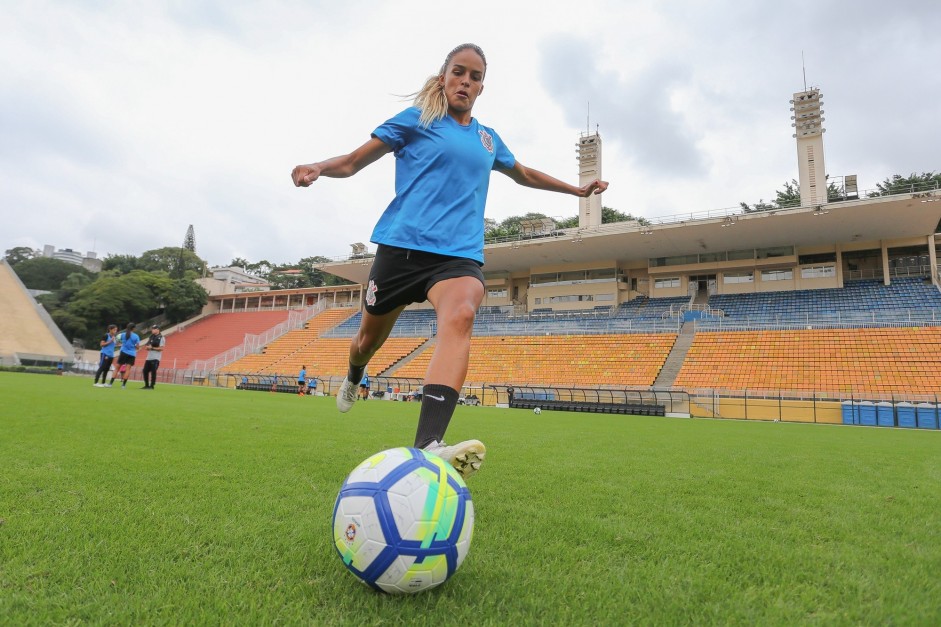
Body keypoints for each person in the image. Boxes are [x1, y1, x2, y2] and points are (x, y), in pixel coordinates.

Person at [291, 43, 608, 479]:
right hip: (401, 250)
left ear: (481, 88)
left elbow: (526, 174)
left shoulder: (487, 138)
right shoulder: (414, 122)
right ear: (443, 77)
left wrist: (575, 192)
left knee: (462, 313)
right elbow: (351, 162)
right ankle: (353, 376)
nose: (466, 81)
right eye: (459, 72)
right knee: (366, 341)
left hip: (456, 257)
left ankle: (429, 444)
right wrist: (317, 167)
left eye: (475, 77)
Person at [109, 323, 141, 388]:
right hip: (132, 354)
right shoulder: (136, 336)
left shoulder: (123, 334)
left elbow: (117, 342)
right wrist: (134, 346)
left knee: (117, 368)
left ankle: (110, 384)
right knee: (128, 369)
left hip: (123, 352)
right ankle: (123, 385)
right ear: (133, 328)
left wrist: (122, 344)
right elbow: (137, 347)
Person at [140, 325, 165, 389]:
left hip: (156, 357)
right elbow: (147, 345)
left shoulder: (161, 337)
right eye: (152, 329)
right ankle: (146, 385)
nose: (152, 330)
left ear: (158, 329)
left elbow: (161, 348)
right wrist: (147, 348)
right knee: (145, 371)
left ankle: (152, 385)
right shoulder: (151, 336)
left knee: (153, 371)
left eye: (154, 329)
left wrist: (152, 348)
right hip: (149, 357)